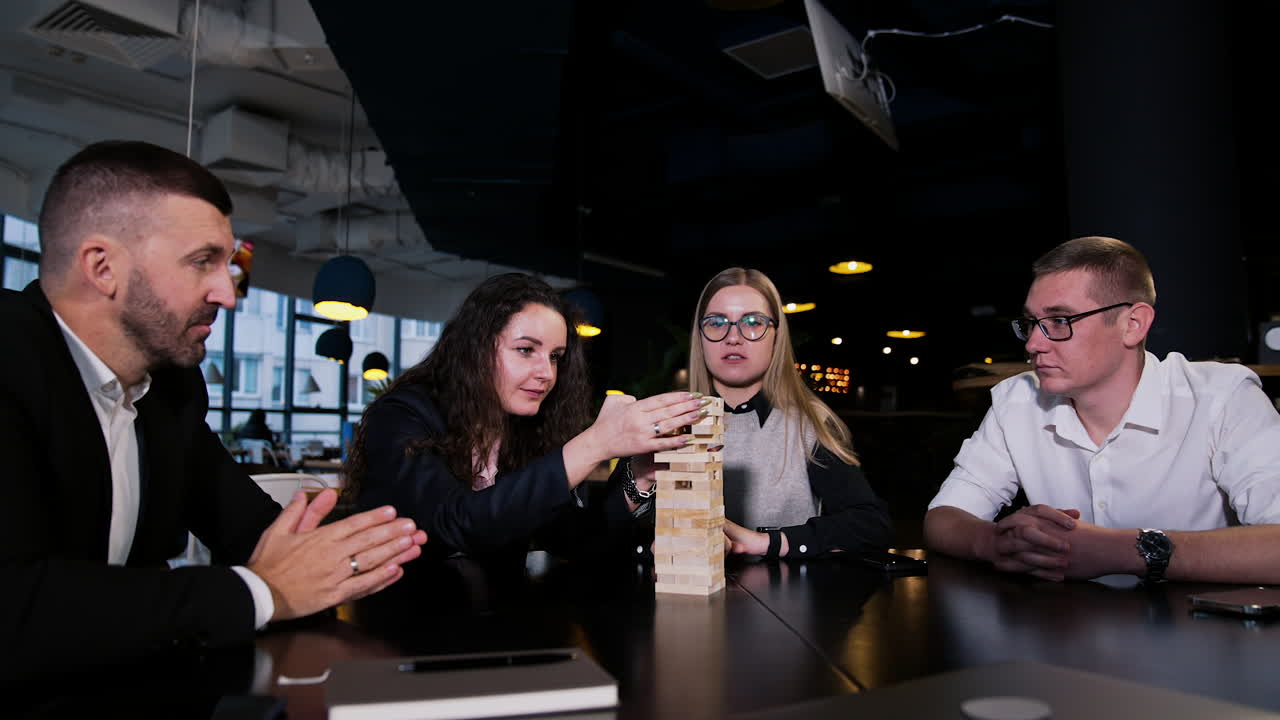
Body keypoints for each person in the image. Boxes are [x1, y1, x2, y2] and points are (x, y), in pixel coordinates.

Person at [0, 140, 427, 678]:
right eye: (203, 262)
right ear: (102, 267)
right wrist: (262, 591)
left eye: (226, 264)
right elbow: (16, 607)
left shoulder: (172, 387)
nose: (228, 293)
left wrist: (344, 554)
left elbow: (253, 532)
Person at [925, 236, 1280, 584]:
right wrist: (996, 542)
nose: (1034, 344)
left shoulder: (1222, 397)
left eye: (1060, 321)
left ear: (1133, 324)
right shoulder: (1016, 400)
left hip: (1202, 633)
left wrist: (1119, 551)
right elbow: (943, 518)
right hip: (1065, 632)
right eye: (1032, 323)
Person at [345, 273, 707, 566]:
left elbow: (576, 540)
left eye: (555, 356)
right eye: (526, 350)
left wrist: (641, 476)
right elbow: (456, 524)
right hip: (395, 632)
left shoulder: (524, 428)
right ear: (476, 348)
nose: (546, 373)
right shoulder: (401, 415)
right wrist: (596, 443)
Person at [622, 267, 892, 560]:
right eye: (716, 323)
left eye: (753, 322)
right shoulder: (666, 418)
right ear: (700, 336)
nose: (733, 337)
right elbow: (603, 533)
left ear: (776, 337)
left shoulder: (810, 423)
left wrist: (762, 542)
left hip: (785, 601)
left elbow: (872, 525)